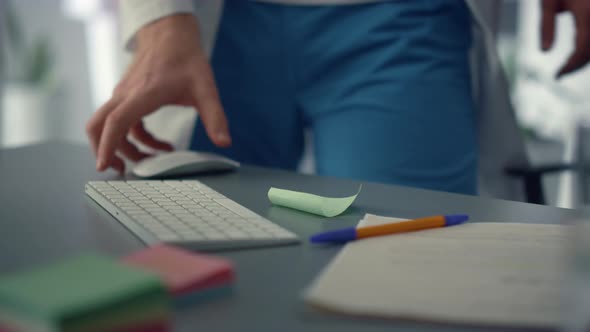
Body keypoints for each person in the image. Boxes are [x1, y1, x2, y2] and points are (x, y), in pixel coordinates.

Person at [85, 0, 590, 199]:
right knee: (191, 263)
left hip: (401, 20)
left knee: (410, 264)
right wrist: (161, 18)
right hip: (216, 24)